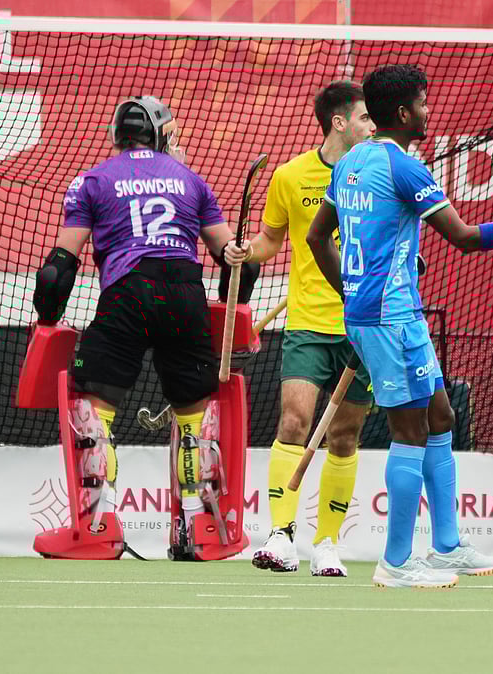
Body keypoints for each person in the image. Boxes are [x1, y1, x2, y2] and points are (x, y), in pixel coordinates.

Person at [307, 64, 493, 589]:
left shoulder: (349, 162)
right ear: (402, 113)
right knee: (409, 429)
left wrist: (349, 289)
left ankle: (447, 547)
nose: (428, 111)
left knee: (439, 415)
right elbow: (464, 239)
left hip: (388, 313)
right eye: (422, 103)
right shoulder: (404, 167)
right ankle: (395, 562)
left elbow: (318, 237)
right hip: (389, 317)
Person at [33, 95, 250, 556]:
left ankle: (98, 529)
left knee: (94, 409)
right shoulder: (192, 181)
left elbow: (58, 268)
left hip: (128, 292)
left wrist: (48, 320)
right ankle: (199, 532)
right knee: (193, 415)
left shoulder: (92, 180)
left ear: (119, 135)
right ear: (162, 133)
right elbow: (236, 262)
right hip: (185, 294)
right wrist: (238, 310)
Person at [245, 81, 375, 576]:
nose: (370, 126)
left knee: (344, 436)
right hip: (307, 323)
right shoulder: (290, 176)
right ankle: (281, 536)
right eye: (364, 118)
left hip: (360, 326)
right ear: (340, 122)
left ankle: (327, 544)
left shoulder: (377, 175)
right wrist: (244, 254)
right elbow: (269, 240)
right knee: (294, 423)